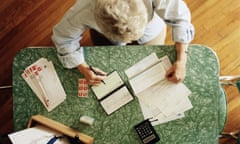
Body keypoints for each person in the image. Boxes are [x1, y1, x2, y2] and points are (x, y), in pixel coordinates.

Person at [52, 0, 194, 85]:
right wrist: (83, 68)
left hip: (151, 30)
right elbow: (63, 37)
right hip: (107, 40)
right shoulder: (84, 9)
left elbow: (180, 19)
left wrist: (182, 60)